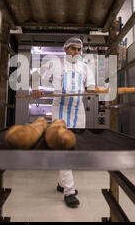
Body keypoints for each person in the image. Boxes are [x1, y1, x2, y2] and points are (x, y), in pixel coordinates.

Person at [31, 37, 96, 208]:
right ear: (65, 49)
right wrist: (36, 89)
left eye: (78, 49)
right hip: (60, 111)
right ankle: (69, 191)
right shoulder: (54, 64)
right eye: (72, 48)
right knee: (63, 148)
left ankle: (61, 184)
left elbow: (90, 87)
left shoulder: (85, 67)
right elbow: (35, 76)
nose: (75, 52)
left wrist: (95, 90)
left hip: (78, 113)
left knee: (72, 150)